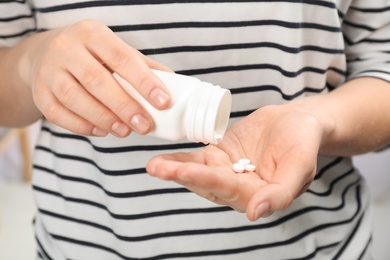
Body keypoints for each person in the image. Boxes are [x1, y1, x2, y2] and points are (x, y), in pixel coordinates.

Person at [1, 0, 390, 259]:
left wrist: (316, 120)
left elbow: (381, 65)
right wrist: (32, 62)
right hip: (86, 246)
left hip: (318, 246)